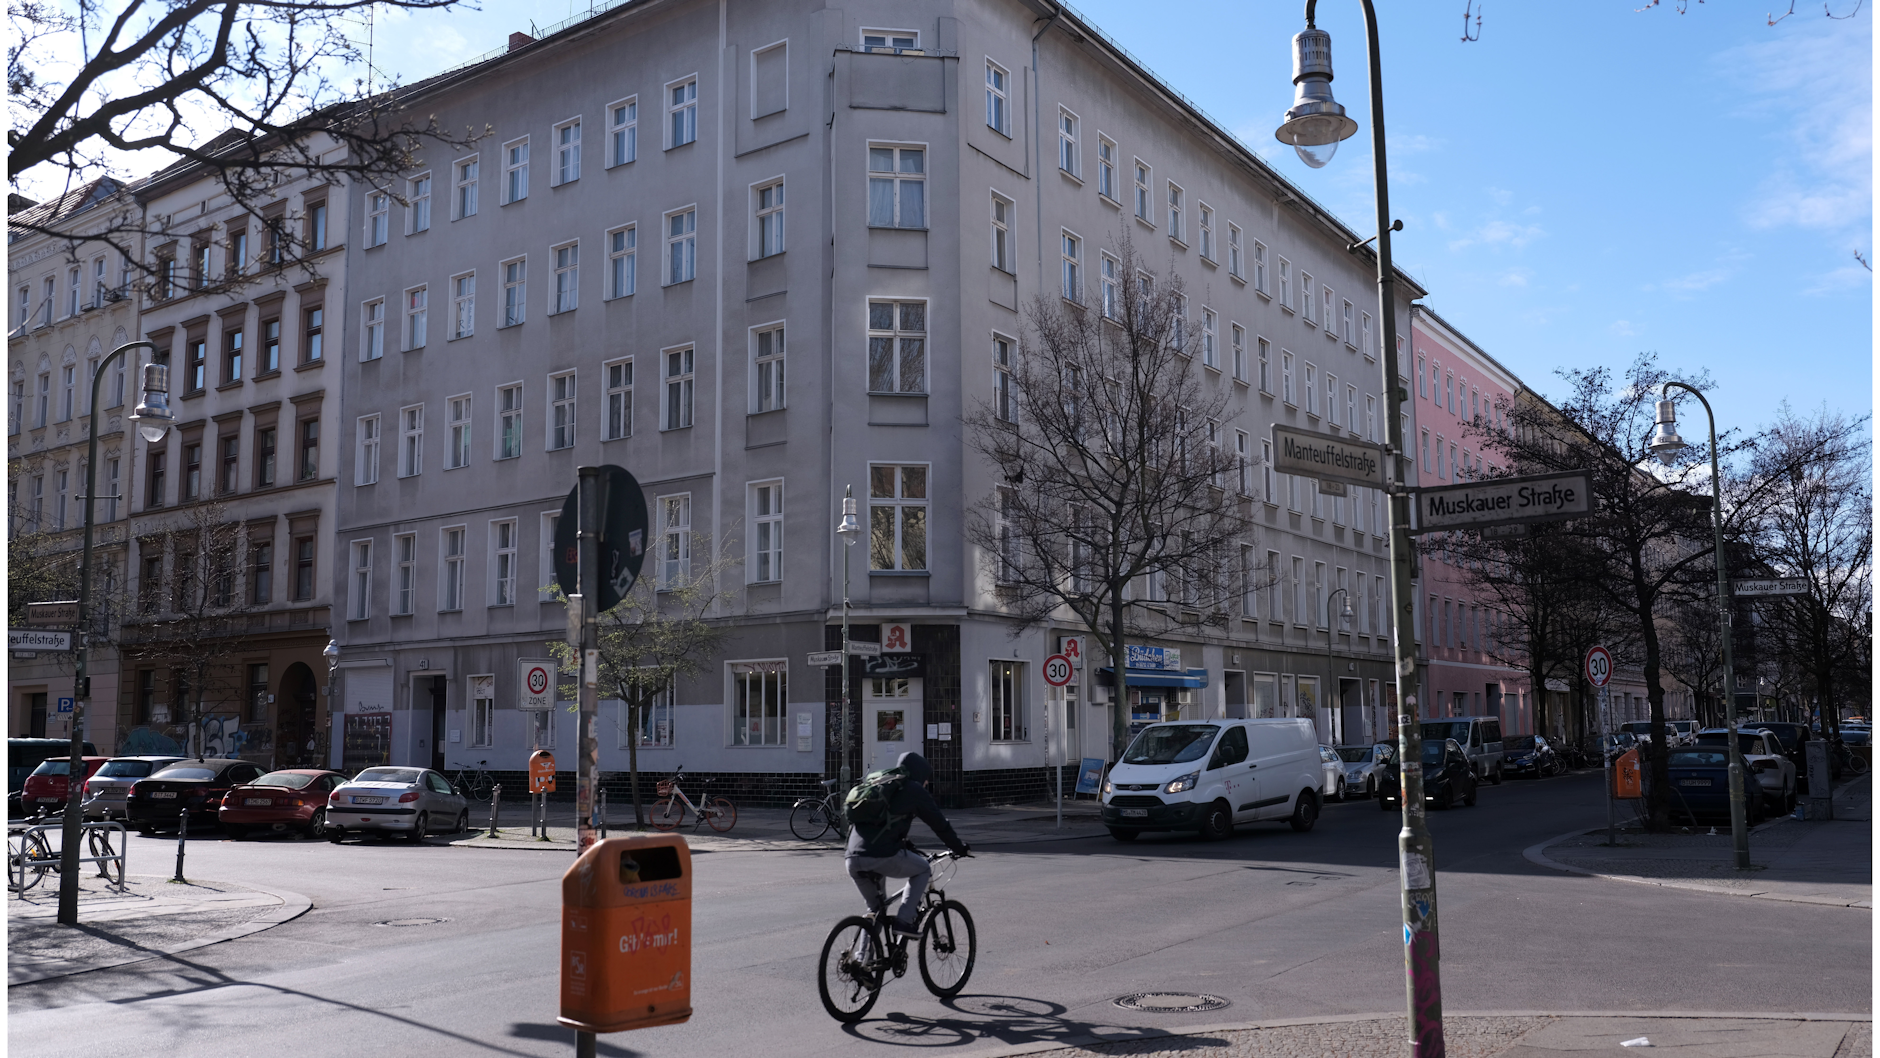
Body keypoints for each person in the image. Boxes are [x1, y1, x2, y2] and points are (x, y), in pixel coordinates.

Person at [845, 751, 969, 938]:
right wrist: (958, 847)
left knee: (876, 910)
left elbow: (886, 824)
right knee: (923, 869)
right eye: (927, 779)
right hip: (881, 855)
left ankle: (862, 962)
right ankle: (904, 920)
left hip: (852, 857)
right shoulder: (914, 790)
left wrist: (906, 844)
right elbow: (939, 824)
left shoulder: (886, 784)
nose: (927, 783)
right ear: (920, 774)